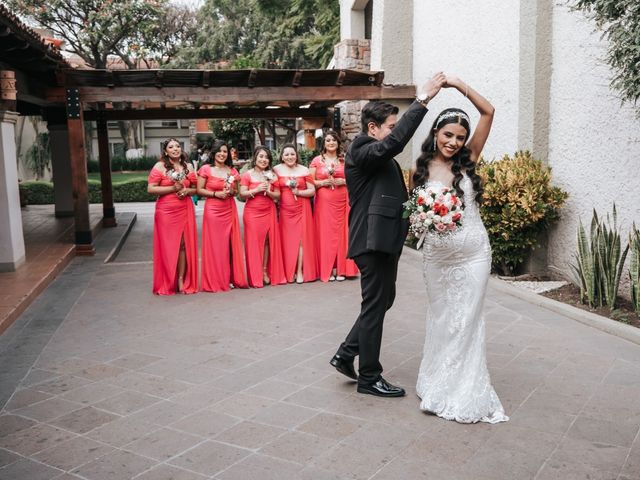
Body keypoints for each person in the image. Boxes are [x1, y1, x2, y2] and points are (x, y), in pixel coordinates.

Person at [329, 73, 446, 397]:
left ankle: (345, 353)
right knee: (375, 305)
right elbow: (394, 144)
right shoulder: (361, 149)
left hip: (382, 241)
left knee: (382, 301)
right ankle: (369, 377)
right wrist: (422, 101)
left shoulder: (376, 155)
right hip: (371, 241)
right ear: (372, 128)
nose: (393, 133)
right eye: (390, 127)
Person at [412, 77, 508, 423]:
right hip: (437, 259)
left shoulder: (470, 159)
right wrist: (424, 220)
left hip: (473, 254)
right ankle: (439, 377)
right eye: (448, 134)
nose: (454, 142)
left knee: (467, 320)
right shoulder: (420, 170)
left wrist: (455, 85)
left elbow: (489, 111)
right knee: (443, 319)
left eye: (459, 137)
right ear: (436, 133)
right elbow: (416, 218)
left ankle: (462, 388)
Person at [147, 138, 198, 295]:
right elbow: (150, 188)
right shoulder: (160, 166)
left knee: (183, 245)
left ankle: (181, 278)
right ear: (165, 151)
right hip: (166, 211)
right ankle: (168, 279)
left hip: (185, 208)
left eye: (177, 146)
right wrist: (172, 188)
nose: (175, 149)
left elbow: (197, 188)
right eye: (171, 147)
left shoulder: (187, 166)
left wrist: (187, 191)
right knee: (169, 246)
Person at [197, 139, 248, 292]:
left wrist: (231, 191)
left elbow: (237, 193)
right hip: (213, 209)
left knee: (228, 245)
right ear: (214, 152)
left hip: (229, 209)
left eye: (225, 151)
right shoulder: (206, 169)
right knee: (216, 245)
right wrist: (215, 194)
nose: (222, 154)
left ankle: (228, 278)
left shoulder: (232, 171)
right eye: (219, 151)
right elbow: (199, 190)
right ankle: (215, 279)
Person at [309, 131, 358, 282]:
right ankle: (328, 269)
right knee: (326, 234)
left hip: (343, 200)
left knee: (344, 233)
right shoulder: (316, 161)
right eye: (328, 140)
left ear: (338, 143)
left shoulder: (345, 160)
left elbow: (355, 179)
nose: (331, 142)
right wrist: (323, 183)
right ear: (324, 144)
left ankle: (343, 269)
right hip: (324, 202)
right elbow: (310, 183)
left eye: (333, 140)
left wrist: (343, 182)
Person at [239, 146, 287, 288]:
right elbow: (242, 194)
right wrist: (256, 189)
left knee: (267, 241)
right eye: (261, 156)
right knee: (254, 243)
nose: (263, 160)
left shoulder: (272, 175)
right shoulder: (247, 174)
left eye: (266, 157)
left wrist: (269, 192)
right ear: (255, 158)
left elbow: (278, 195)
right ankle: (255, 274)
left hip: (269, 210)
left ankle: (265, 271)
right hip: (252, 212)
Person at [273, 144, 318, 283]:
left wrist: (298, 192)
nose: (289, 157)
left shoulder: (304, 170)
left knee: (300, 241)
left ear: (296, 155)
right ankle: (288, 271)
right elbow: (274, 189)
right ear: (281, 156)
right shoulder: (276, 170)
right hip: (285, 210)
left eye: (292, 154)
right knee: (287, 241)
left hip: (302, 208)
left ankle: (299, 271)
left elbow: (312, 190)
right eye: (286, 154)